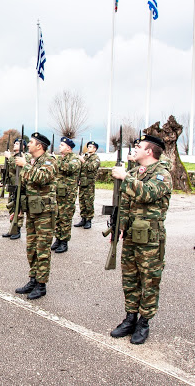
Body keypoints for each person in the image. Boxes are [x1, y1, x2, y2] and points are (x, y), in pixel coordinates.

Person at [109, 134, 172, 345]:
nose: (135, 149)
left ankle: (144, 322)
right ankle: (130, 318)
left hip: (150, 238)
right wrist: (119, 228)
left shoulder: (162, 174)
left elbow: (148, 194)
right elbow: (125, 204)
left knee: (149, 280)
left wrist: (125, 178)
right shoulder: (135, 172)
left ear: (149, 151)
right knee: (130, 279)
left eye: (139, 146)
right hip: (131, 236)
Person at [14, 132, 57, 300]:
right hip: (32, 210)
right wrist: (18, 207)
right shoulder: (33, 161)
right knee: (31, 247)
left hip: (45, 212)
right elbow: (24, 186)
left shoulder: (49, 161)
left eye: (31, 142)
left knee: (42, 249)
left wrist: (25, 166)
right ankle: (33, 278)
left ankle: (41, 284)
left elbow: (42, 178)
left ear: (39, 146)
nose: (28, 145)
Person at [52, 137, 81, 253]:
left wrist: (55, 161)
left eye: (62, 145)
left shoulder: (74, 159)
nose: (60, 147)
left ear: (68, 148)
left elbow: (70, 168)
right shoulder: (60, 158)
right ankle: (58, 238)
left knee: (65, 218)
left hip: (68, 194)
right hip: (58, 192)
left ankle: (64, 242)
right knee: (57, 217)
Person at [2, 138, 31, 240]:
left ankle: (17, 230)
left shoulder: (25, 156)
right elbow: (9, 171)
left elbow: (17, 166)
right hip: (12, 186)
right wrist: (4, 182)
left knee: (18, 208)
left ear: (23, 147)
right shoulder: (14, 156)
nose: (14, 145)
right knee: (12, 207)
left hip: (20, 186)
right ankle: (12, 228)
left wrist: (9, 157)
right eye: (14, 143)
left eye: (17, 143)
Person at [74, 141, 101, 229]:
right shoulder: (85, 157)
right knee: (82, 201)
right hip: (82, 182)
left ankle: (89, 220)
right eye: (88, 146)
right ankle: (83, 218)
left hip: (89, 183)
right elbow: (80, 169)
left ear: (94, 149)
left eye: (90, 147)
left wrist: (83, 160)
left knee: (88, 201)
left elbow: (91, 167)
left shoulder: (95, 158)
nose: (88, 148)